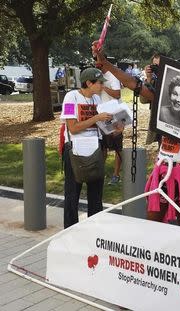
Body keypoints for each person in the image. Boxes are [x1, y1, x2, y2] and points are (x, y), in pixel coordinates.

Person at [91, 43, 180, 233]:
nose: (178, 98)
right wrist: (106, 64)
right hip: (163, 170)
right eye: (175, 91)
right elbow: (134, 84)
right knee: (152, 229)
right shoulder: (161, 99)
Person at [60, 68, 113, 228]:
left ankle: (93, 229)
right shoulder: (71, 97)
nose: (102, 86)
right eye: (99, 83)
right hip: (75, 151)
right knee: (72, 193)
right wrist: (96, 118)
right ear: (89, 83)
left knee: (96, 194)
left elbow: (102, 125)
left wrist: (114, 126)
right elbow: (73, 127)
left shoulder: (97, 99)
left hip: (94, 150)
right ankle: (70, 230)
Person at [98, 61, 123, 185]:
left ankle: (116, 175)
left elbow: (117, 94)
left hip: (116, 114)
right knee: (102, 146)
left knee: (117, 147)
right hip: (103, 114)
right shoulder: (96, 75)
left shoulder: (112, 76)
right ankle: (100, 173)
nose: (96, 65)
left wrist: (103, 87)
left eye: (98, 62)